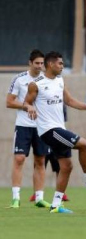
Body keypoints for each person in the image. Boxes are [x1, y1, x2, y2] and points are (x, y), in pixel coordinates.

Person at [23, 51, 86, 214]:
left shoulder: (60, 81)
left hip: (59, 129)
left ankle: (56, 206)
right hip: (48, 130)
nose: (62, 66)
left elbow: (69, 101)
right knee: (84, 144)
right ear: (50, 64)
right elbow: (26, 103)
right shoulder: (36, 84)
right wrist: (29, 107)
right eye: (60, 63)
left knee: (66, 166)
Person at [6, 49, 50, 208]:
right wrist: (26, 106)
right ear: (30, 63)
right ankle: (16, 198)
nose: (39, 66)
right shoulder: (19, 79)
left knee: (41, 160)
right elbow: (9, 102)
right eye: (37, 63)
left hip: (41, 126)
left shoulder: (47, 79)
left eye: (42, 63)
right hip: (23, 125)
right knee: (19, 159)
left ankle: (39, 198)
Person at [29, 105, 70, 202]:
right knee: (40, 163)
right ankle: (37, 192)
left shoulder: (60, 102)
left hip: (56, 137)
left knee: (60, 166)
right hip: (44, 135)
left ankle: (61, 192)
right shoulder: (41, 101)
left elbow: (62, 121)